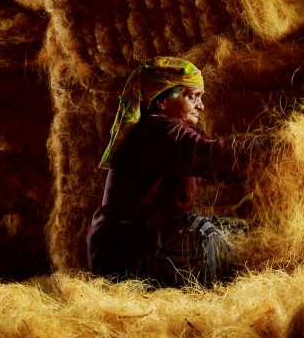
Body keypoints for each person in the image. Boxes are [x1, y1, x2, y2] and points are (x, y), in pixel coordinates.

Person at [87, 56, 259, 287]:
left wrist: (257, 165)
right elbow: (210, 155)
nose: (201, 106)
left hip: (147, 239)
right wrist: (270, 151)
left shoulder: (168, 131)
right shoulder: (157, 131)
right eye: (193, 97)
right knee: (203, 236)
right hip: (125, 255)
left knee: (240, 231)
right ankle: (201, 294)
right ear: (161, 101)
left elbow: (216, 161)